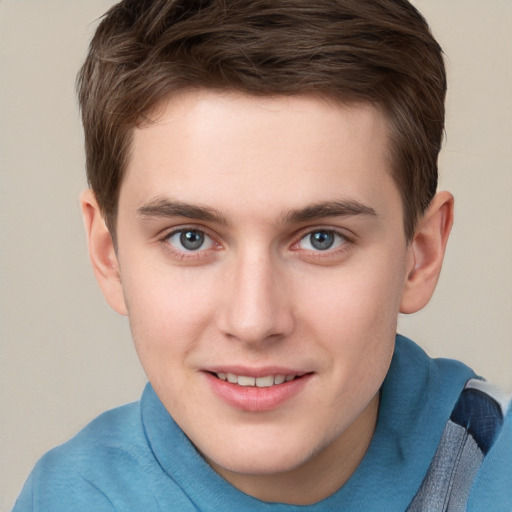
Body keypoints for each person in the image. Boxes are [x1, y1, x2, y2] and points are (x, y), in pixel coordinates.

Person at [12, 0, 511, 510]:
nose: (253, 321)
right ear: (108, 253)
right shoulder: (69, 497)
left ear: (420, 254)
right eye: (190, 238)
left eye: (322, 239)